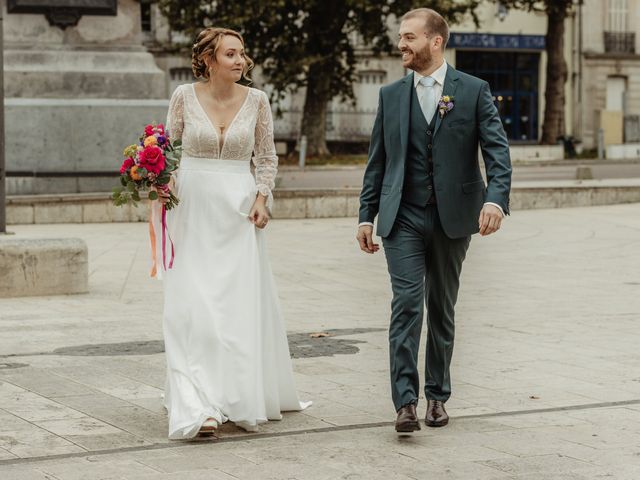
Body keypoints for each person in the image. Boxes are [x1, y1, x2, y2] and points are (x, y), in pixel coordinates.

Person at [356, 8, 511, 433]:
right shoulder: (390, 95)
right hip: (401, 215)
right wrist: (365, 215)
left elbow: (497, 153)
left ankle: (437, 396)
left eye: (409, 37)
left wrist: (495, 202)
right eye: (401, 37)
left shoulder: (474, 90)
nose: (401, 44)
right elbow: (378, 162)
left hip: (454, 217)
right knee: (406, 304)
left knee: (441, 308)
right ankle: (404, 402)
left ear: (435, 41)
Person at [160, 27, 310, 439]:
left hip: (239, 212)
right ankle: (197, 403)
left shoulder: (258, 101)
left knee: (233, 306)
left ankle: (235, 393)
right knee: (192, 307)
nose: (240, 61)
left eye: (242, 54)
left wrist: (263, 197)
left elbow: (266, 157)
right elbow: (168, 152)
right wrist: (161, 181)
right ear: (208, 60)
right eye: (231, 54)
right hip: (191, 210)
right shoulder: (183, 97)